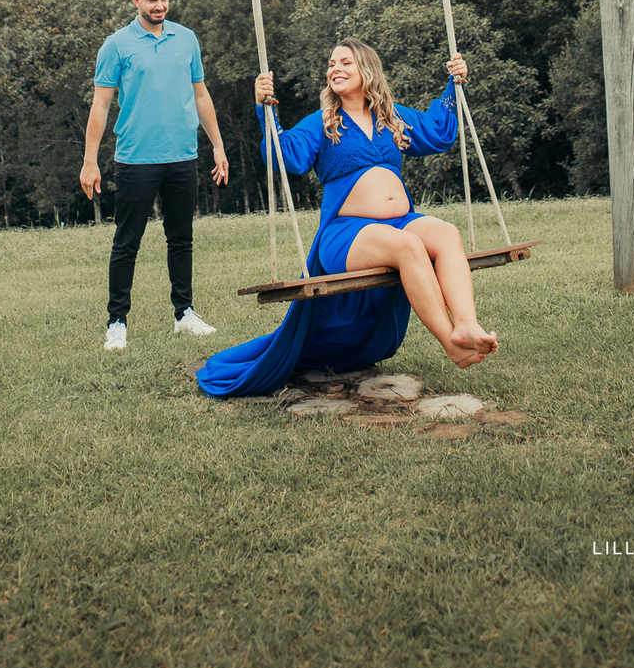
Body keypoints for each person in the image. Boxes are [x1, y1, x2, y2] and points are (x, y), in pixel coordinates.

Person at [196, 38, 496, 398]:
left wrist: (455, 83)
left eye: (345, 63)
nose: (334, 69)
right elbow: (286, 157)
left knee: (446, 233)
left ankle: (466, 325)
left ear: (367, 71)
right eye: (331, 64)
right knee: (409, 247)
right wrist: (266, 110)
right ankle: (450, 342)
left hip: (401, 220)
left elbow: (439, 133)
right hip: (346, 232)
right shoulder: (323, 122)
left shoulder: (392, 117)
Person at [81, 0, 229, 350]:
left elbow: (200, 94)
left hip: (182, 155)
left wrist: (217, 144)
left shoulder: (187, 39)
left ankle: (185, 314)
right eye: (152, 0)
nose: (160, 5)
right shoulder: (116, 45)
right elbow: (100, 105)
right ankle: (117, 322)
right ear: (136, 0)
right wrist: (90, 161)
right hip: (135, 159)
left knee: (181, 239)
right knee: (127, 241)